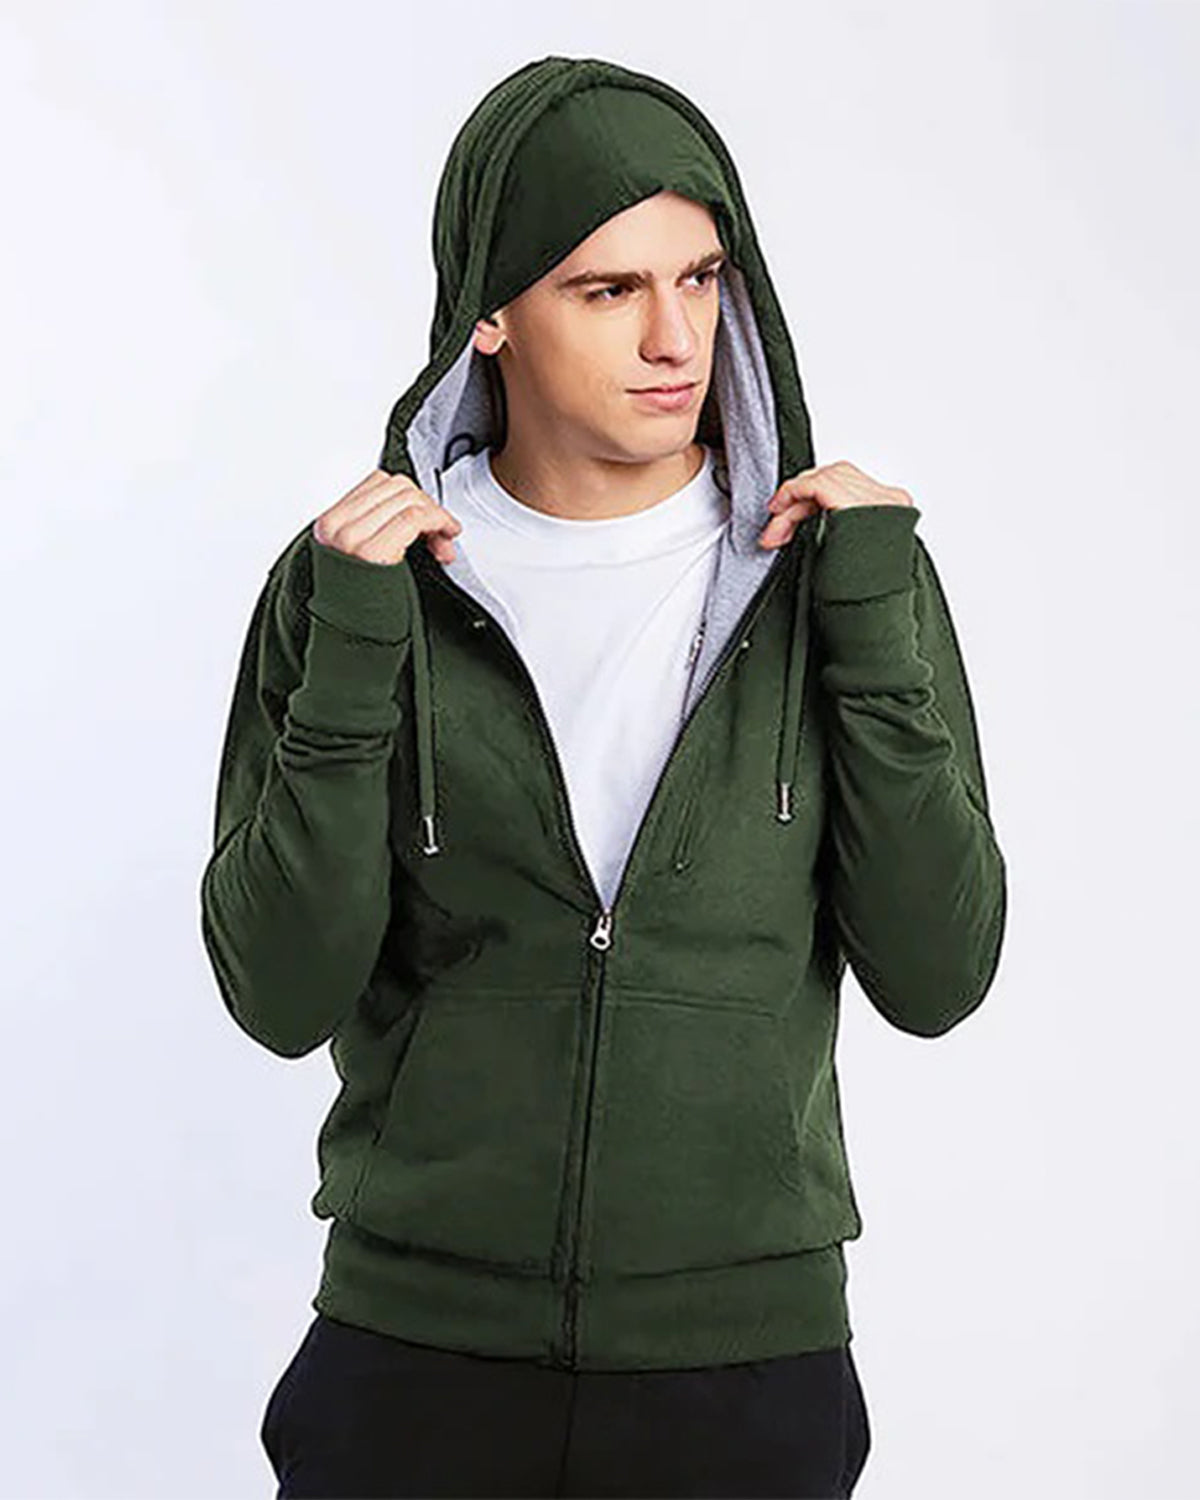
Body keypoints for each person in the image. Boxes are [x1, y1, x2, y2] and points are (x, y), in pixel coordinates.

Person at [199, 53, 1008, 1500]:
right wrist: (353, 657)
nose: (673, 336)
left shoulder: (837, 577)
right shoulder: (356, 584)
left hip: (744, 1373)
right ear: (492, 313)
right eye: (607, 289)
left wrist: (874, 634)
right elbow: (278, 992)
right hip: (416, 1361)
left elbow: (938, 975)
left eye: (701, 278)